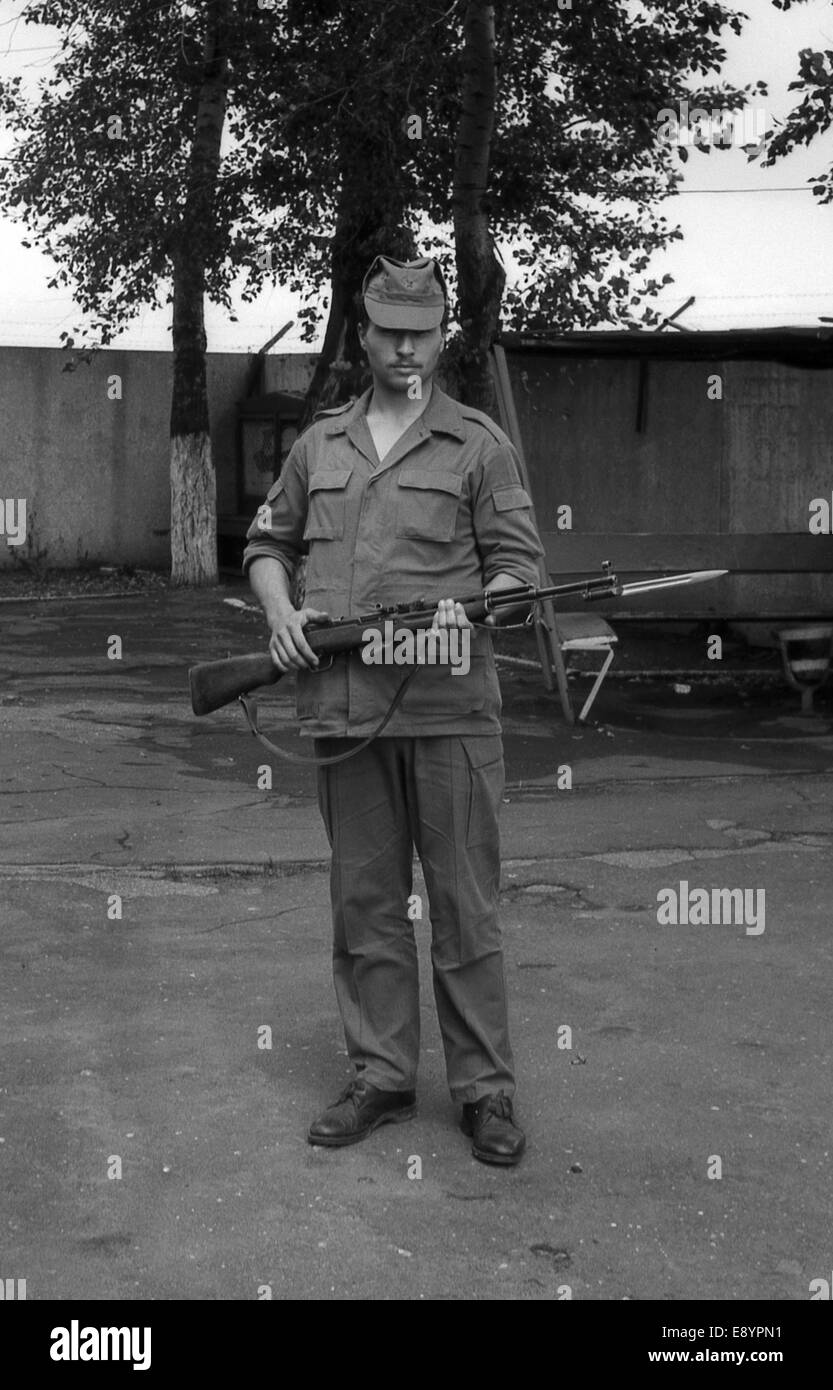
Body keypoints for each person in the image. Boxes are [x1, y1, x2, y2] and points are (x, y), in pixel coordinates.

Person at [243, 254, 545, 1166]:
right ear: (364, 336)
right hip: (345, 713)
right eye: (389, 330)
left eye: (421, 330)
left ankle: (485, 1093)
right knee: (364, 904)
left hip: (449, 713)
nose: (405, 345)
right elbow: (267, 541)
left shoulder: (479, 445)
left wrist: (478, 602)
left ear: (441, 336)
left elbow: (519, 574)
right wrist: (283, 611)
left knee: (465, 909)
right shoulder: (320, 446)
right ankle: (379, 1075)